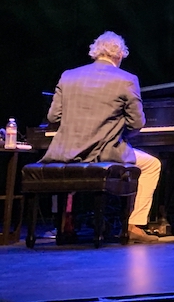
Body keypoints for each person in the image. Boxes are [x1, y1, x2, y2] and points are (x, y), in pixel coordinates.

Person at [42, 31, 162, 243]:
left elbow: (53, 116)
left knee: (61, 165)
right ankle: (134, 224)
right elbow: (137, 123)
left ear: (94, 52)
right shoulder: (127, 80)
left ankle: (64, 222)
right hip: (105, 152)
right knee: (152, 164)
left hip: (67, 150)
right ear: (120, 55)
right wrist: (120, 133)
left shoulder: (68, 76)